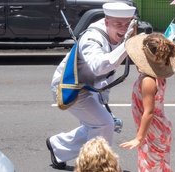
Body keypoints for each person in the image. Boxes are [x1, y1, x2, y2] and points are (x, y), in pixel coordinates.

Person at [46, 2, 136, 169]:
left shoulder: (118, 33)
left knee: (98, 124)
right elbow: (99, 66)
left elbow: (108, 72)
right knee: (104, 123)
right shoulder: (92, 38)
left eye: (127, 23)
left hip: (90, 85)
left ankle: (58, 145)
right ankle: (99, 167)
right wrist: (126, 44)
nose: (123, 29)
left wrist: (103, 97)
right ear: (106, 21)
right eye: (118, 24)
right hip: (70, 86)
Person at [120, 33, 175, 171]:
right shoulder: (156, 74)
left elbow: (149, 112)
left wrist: (139, 138)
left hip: (153, 133)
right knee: (160, 167)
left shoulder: (148, 81)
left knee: (150, 168)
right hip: (158, 130)